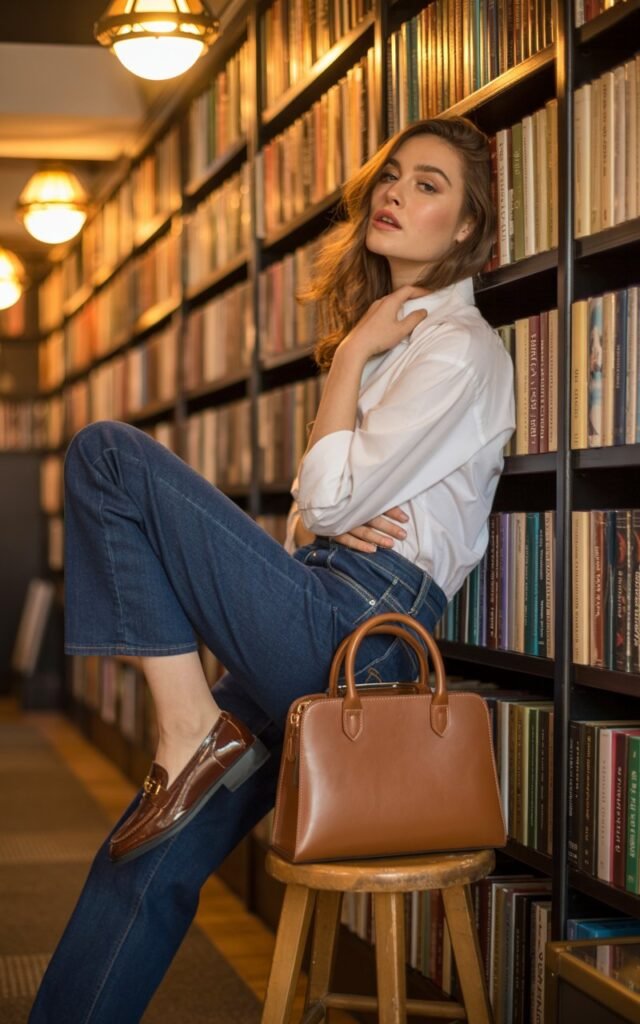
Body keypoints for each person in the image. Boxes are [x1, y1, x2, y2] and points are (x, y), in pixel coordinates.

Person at [29, 113, 515, 1022]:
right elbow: (316, 512)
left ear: (466, 233)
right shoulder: (402, 346)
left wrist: (353, 360)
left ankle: (188, 736)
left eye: (428, 186)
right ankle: (189, 745)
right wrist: (336, 476)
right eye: (393, 175)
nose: (395, 193)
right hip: (319, 605)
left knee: (106, 455)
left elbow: (325, 504)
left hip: (363, 636)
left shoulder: (456, 351)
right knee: (148, 851)